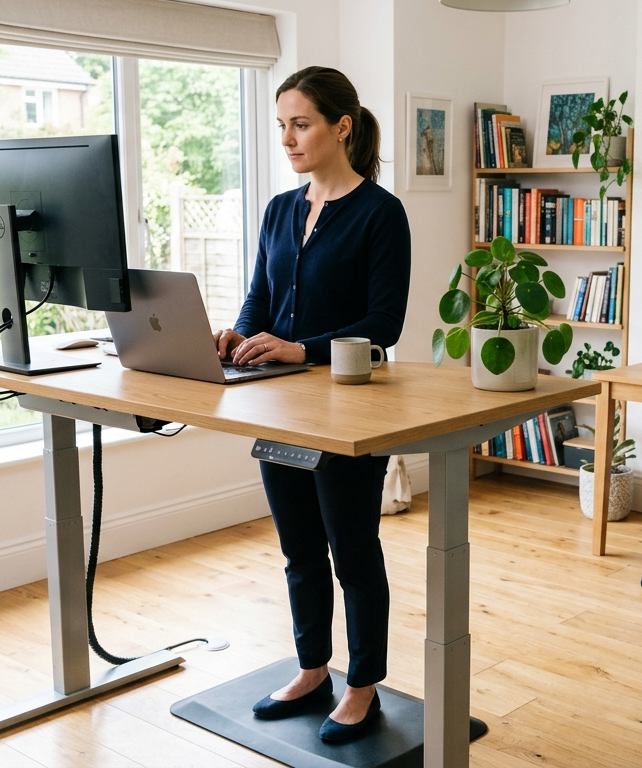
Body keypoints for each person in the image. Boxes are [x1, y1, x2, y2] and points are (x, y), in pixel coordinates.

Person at [212, 66, 410, 743]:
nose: (289, 139)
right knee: (300, 551)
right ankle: (312, 669)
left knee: (352, 552)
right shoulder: (278, 210)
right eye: (282, 126)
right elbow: (260, 302)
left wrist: (302, 350)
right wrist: (238, 335)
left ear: (341, 127)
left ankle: (363, 687)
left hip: (348, 410)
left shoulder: (381, 213)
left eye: (301, 124)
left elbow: (384, 324)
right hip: (278, 408)